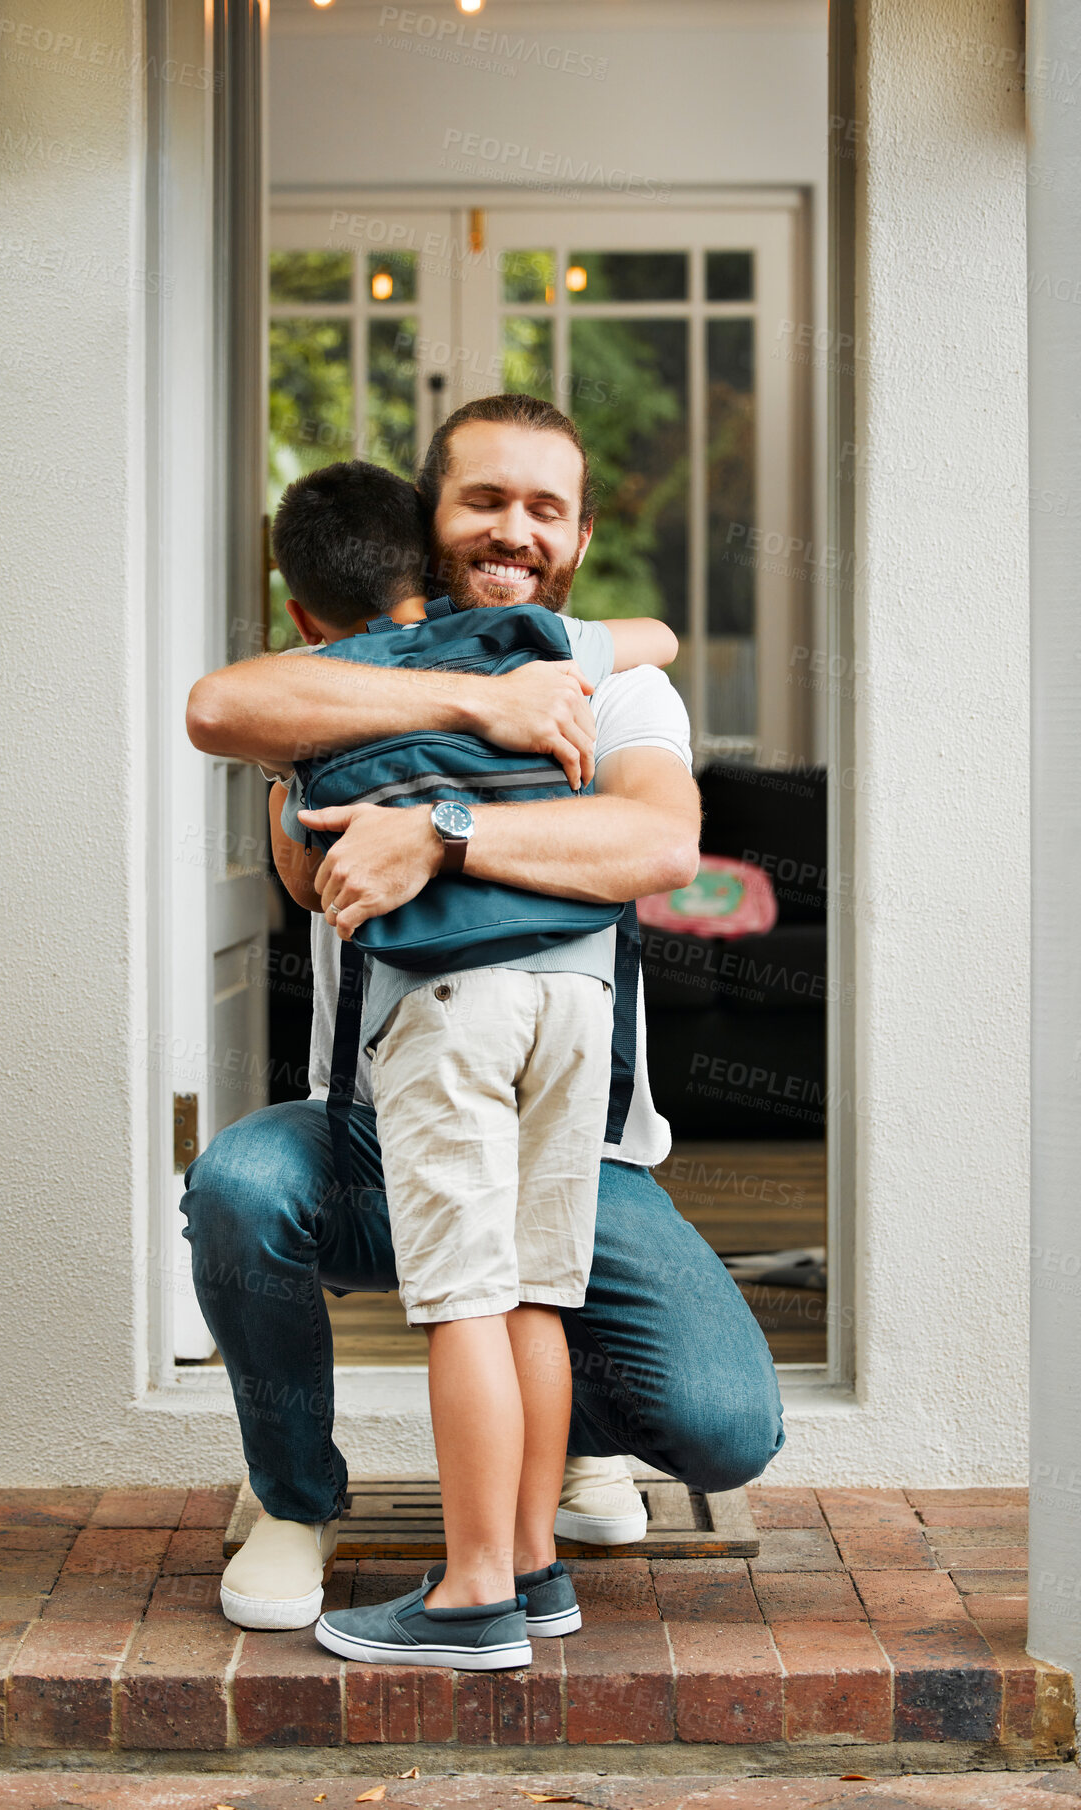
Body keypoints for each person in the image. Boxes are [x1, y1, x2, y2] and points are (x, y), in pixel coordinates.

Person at [183, 393, 785, 1636]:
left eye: (544, 507)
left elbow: (658, 840)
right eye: (485, 499)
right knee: (240, 1185)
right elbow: (225, 715)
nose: (514, 527)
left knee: (724, 1422)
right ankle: (300, 1495)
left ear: (577, 534)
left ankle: (551, 1465)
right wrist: (472, 709)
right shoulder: (352, 665)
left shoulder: (613, 696)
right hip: (366, 1126)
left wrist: (441, 832)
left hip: (584, 1141)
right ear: (430, 513)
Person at [259, 458, 677, 1668]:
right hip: (575, 1000)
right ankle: (537, 1567)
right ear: (432, 563)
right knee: (540, 1290)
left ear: (304, 612)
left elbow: (283, 823)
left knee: (465, 1301)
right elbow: (648, 634)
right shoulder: (539, 649)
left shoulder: (326, 684)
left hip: (450, 1007)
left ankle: (475, 1594)